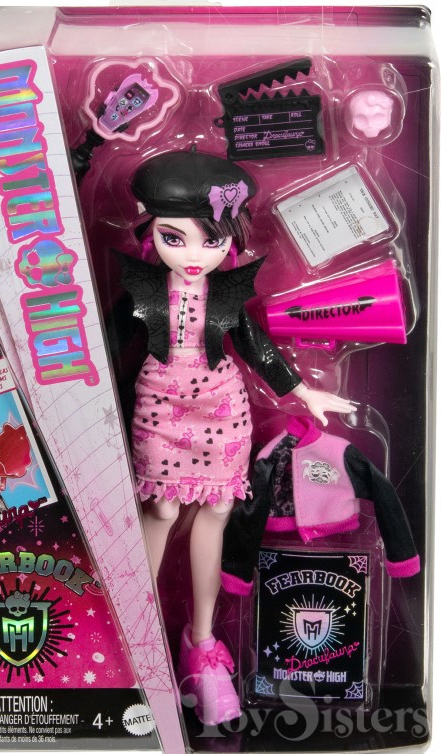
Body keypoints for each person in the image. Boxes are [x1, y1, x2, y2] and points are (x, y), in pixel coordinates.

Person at [109, 147, 355, 726]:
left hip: (221, 411)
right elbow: (103, 344)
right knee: (162, 508)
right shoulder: (142, 292)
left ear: (231, 239)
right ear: (148, 228)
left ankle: (201, 642)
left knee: (217, 509)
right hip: (159, 406)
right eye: (175, 238)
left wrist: (305, 393)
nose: (194, 255)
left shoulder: (225, 295)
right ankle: (129, 632)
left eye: (211, 240)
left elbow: (257, 347)